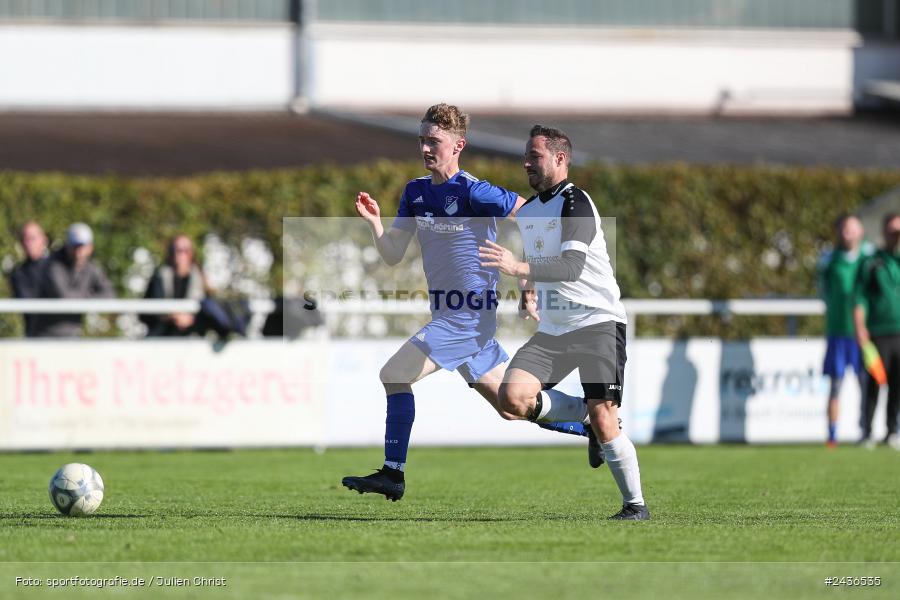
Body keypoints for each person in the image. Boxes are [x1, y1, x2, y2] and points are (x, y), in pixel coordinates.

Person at [341, 104, 595, 502]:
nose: (426, 148)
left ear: (458, 145)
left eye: (434, 141)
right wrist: (375, 223)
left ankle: (393, 473)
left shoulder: (475, 191)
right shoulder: (415, 192)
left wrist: (527, 276)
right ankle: (592, 422)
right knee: (512, 407)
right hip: (450, 315)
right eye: (422, 140)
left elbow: (534, 220)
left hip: (467, 317)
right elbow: (392, 254)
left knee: (393, 375)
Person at [479, 125, 650, 520]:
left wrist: (518, 268)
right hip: (555, 329)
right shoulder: (531, 210)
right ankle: (586, 417)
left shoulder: (577, 203)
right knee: (511, 398)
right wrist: (528, 287)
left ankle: (635, 506)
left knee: (607, 420)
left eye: (534, 156)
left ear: (560, 159)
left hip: (597, 324)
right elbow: (539, 256)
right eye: (526, 156)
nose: (526, 163)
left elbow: (571, 266)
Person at [817, 214, 871, 448]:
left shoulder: (869, 258)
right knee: (835, 386)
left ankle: (866, 431)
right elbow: (823, 292)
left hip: (865, 335)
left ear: (861, 231)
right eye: (843, 229)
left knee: (867, 386)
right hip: (838, 333)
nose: (847, 233)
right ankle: (832, 435)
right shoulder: (829, 260)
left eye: (851, 228)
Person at [854, 213, 900, 450]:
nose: (896, 237)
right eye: (893, 232)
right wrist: (860, 327)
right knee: (873, 382)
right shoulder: (871, 262)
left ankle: (892, 430)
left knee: (897, 384)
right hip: (878, 332)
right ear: (884, 232)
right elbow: (860, 298)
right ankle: (867, 431)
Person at [141, 234, 242, 338]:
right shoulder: (158, 278)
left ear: (191, 253)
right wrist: (171, 317)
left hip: (192, 339)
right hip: (162, 337)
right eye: (177, 249)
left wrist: (191, 320)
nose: (181, 254)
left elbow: (209, 315)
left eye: (185, 250)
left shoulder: (201, 279)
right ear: (171, 252)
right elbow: (145, 315)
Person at [32, 222, 114, 337]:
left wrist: (83, 299)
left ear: (90, 247)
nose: (78, 251)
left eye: (82, 246)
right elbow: (65, 298)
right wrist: (90, 296)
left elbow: (109, 294)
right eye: (75, 246)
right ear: (67, 246)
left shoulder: (91, 267)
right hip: (44, 336)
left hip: (73, 335)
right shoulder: (53, 265)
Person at [9, 221, 49, 337]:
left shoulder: (57, 269)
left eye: (32, 238)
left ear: (44, 240)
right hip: (34, 336)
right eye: (25, 239)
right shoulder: (18, 274)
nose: (28, 243)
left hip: (63, 337)